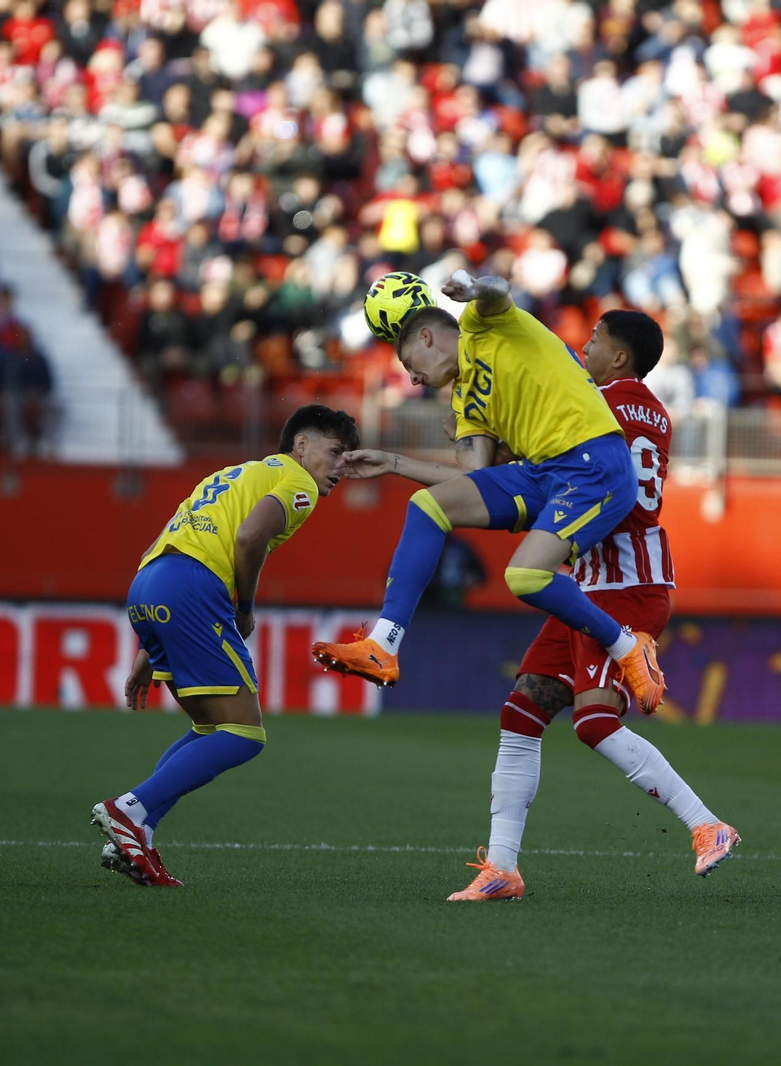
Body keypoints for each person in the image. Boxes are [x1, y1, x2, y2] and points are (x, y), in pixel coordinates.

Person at [341, 312, 741, 899]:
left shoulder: (594, 407)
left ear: (620, 358)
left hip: (626, 585)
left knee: (596, 722)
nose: (583, 346)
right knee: (522, 712)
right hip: (588, 583)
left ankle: (708, 825)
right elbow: (496, 478)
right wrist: (407, 464)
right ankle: (502, 867)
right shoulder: (632, 408)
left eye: (596, 339)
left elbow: (542, 475)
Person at [311, 273, 667, 713]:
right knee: (427, 507)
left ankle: (628, 646)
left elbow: (499, 289)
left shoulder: (483, 324)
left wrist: (474, 287)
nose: (415, 380)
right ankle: (383, 645)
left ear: (426, 336)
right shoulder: (465, 403)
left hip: (593, 461)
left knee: (523, 577)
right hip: (544, 472)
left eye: (410, 365)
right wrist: (393, 463)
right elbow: (473, 480)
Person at [95, 404, 358, 887]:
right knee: (245, 734)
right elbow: (250, 536)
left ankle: (137, 836)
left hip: (149, 584)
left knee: (209, 726)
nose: (343, 467)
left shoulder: (237, 473)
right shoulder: (297, 481)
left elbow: (178, 540)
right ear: (301, 445)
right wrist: (245, 604)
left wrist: (146, 651)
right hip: (195, 588)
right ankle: (129, 809)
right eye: (336, 452)